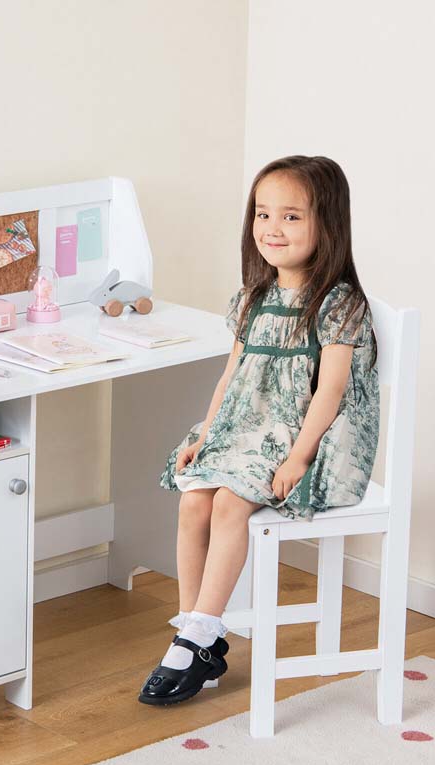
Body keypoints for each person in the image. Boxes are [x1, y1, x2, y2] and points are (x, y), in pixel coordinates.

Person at [138, 155, 380, 706]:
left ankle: (196, 638)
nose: (272, 228)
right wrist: (205, 433)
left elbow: (331, 391)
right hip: (248, 427)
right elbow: (232, 376)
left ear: (328, 225)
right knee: (193, 498)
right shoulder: (255, 295)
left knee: (228, 503)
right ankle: (195, 632)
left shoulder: (337, 301)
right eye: (263, 214)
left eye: (292, 217)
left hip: (308, 437)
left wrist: (297, 458)